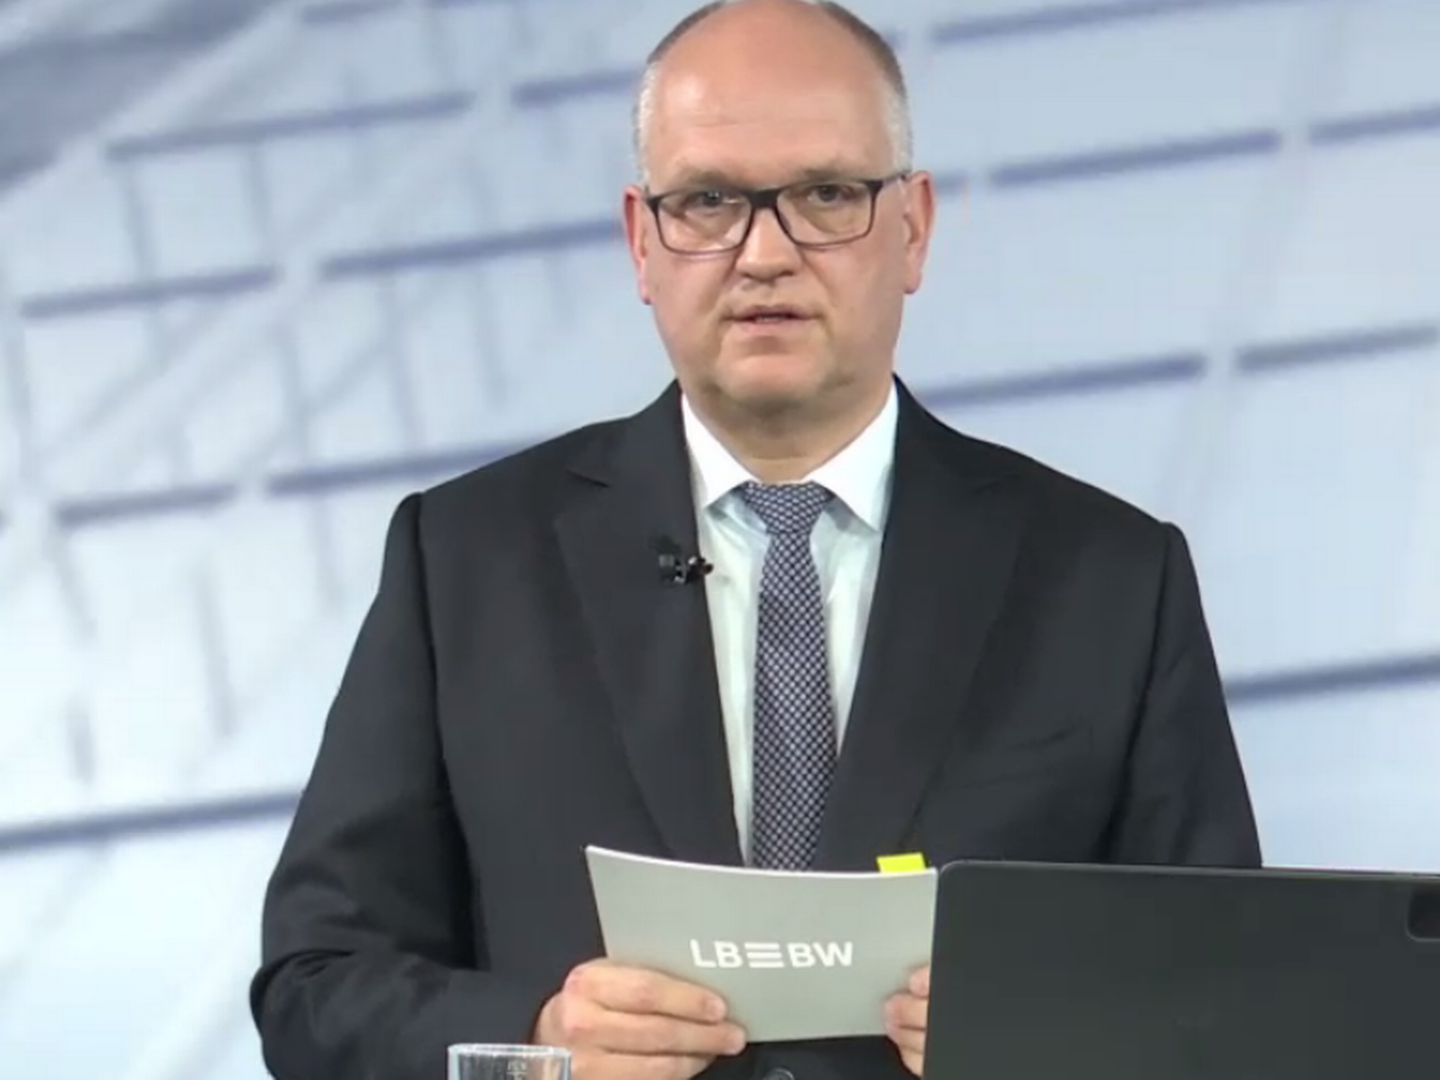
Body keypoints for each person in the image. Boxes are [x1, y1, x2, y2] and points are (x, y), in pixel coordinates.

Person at [249, 1, 1262, 1078]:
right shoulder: (461, 562)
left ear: (912, 229)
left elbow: (1233, 994)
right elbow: (317, 986)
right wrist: (542, 1036)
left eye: (826, 194)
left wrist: (1054, 1037)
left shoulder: (1109, 577)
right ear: (642, 242)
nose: (764, 253)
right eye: (708, 201)